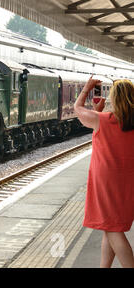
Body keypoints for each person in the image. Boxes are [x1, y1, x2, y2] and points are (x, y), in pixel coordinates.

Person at [74, 77, 134, 268]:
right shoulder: (123, 121)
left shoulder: (104, 120)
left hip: (106, 180)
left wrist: (86, 88)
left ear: (115, 98)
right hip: (127, 179)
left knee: (113, 229)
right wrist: (98, 111)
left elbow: (78, 109)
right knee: (110, 226)